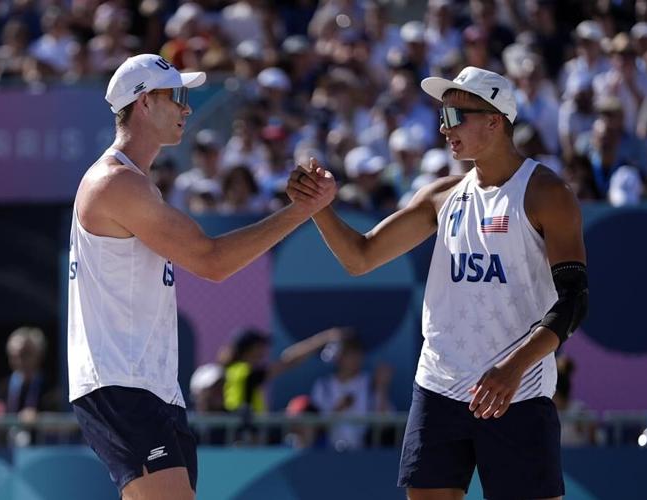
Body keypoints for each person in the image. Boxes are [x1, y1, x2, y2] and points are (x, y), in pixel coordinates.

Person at [288, 66, 588, 499]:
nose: (443, 128)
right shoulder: (442, 195)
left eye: (455, 116)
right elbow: (360, 256)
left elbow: (574, 302)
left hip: (516, 391)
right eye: (441, 117)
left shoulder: (546, 192)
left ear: (494, 119)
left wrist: (513, 368)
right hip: (440, 387)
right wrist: (318, 207)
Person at [67, 54, 335, 500]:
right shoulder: (114, 183)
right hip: (121, 381)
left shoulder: (133, 182)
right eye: (178, 96)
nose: (187, 108)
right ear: (144, 103)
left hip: (147, 383)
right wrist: (301, 211)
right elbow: (212, 262)